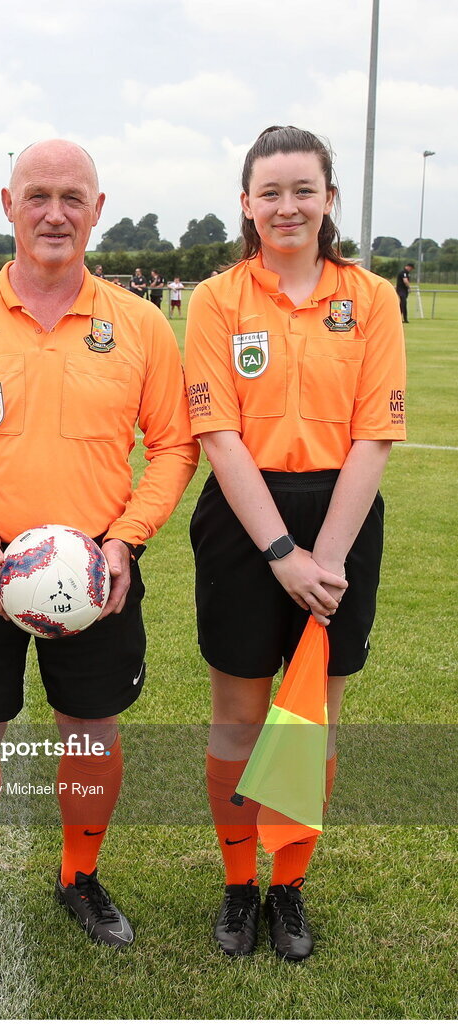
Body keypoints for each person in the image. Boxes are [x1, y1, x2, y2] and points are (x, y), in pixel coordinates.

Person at [0, 139, 198, 950]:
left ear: (97, 210)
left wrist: (128, 543)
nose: (54, 212)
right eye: (37, 195)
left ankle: (80, 874)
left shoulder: (138, 323)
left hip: (95, 568)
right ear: (7, 204)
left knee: (90, 731)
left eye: (73, 196)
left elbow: (174, 445)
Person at [184, 125, 406, 962]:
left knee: (309, 720)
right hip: (245, 523)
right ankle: (239, 886)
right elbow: (216, 434)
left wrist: (329, 558)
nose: (286, 206)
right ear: (244, 204)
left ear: (328, 199)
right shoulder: (214, 300)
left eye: (302, 189)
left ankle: (288, 886)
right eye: (268, 192)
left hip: (341, 519)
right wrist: (282, 555)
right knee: (238, 718)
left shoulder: (371, 297)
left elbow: (374, 437)